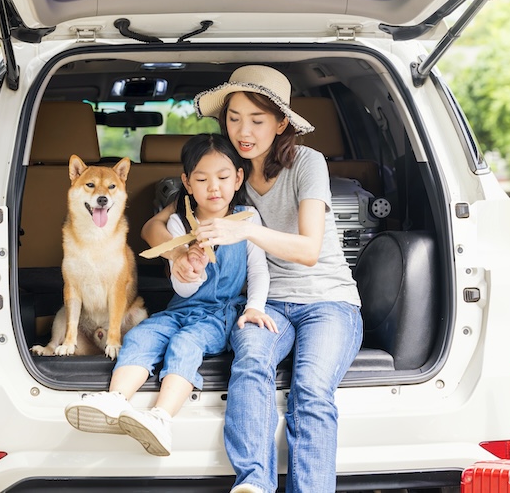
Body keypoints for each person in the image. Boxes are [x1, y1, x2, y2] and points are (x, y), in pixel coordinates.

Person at [141, 66, 363, 492]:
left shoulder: (307, 163)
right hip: (265, 304)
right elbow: (155, 226)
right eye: (234, 118)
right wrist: (176, 256)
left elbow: (309, 250)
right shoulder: (224, 173)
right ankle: (254, 483)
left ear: (281, 124)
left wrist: (244, 229)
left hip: (328, 302)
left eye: (257, 121)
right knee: (250, 365)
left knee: (311, 391)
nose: (244, 131)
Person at [64, 133, 276, 457]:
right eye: (202, 179)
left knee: (185, 344)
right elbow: (182, 288)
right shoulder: (179, 223)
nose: (213, 187)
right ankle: (115, 398)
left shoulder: (248, 219)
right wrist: (190, 269)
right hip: (181, 307)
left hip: (220, 313)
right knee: (143, 334)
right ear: (187, 184)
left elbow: (259, 270)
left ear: (238, 178)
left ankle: (161, 416)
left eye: (222, 178)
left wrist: (255, 307)